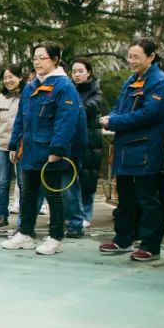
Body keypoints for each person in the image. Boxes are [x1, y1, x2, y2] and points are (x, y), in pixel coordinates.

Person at [2, 42, 80, 255]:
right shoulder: (30, 86)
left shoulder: (64, 86)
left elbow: (66, 121)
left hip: (49, 151)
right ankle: (25, 233)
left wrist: (57, 149)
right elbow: (21, 118)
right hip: (29, 150)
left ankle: (56, 237)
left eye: (42, 58)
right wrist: (14, 144)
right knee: (27, 194)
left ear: (55, 60)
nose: (37, 62)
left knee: (53, 195)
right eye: (34, 58)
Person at [99, 39, 164, 261]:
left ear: (151, 57)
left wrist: (115, 122)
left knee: (147, 199)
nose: (131, 61)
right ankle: (123, 239)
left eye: (136, 57)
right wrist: (111, 117)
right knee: (125, 197)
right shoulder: (131, 80)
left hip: (146, 148)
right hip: (125, 148)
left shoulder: (159, 81)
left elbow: (150, 114)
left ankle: (151, 245)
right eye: (129, 56)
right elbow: (118, 106)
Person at [70, 58, 104, 232]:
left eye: (80, 71)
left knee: (87, 180)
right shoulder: (69, 89)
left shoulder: (95, 91)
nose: (77, 74)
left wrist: (69, 108)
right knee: (71, 180)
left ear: (88, 72)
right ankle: (72, 214)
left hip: (90, 140)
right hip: (72, 140)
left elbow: (86, 109)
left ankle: (85, 215)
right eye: (74, 71)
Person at [0, 65, 22, 227]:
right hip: (3, 146)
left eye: (11, 77)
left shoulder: (27, 96)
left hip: (22, 147)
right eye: (5, 78)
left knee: (23, 182)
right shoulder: (0, 98)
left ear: (20, 78)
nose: (8, 80)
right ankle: (2, 215)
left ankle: (25, 218)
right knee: (3, 181)